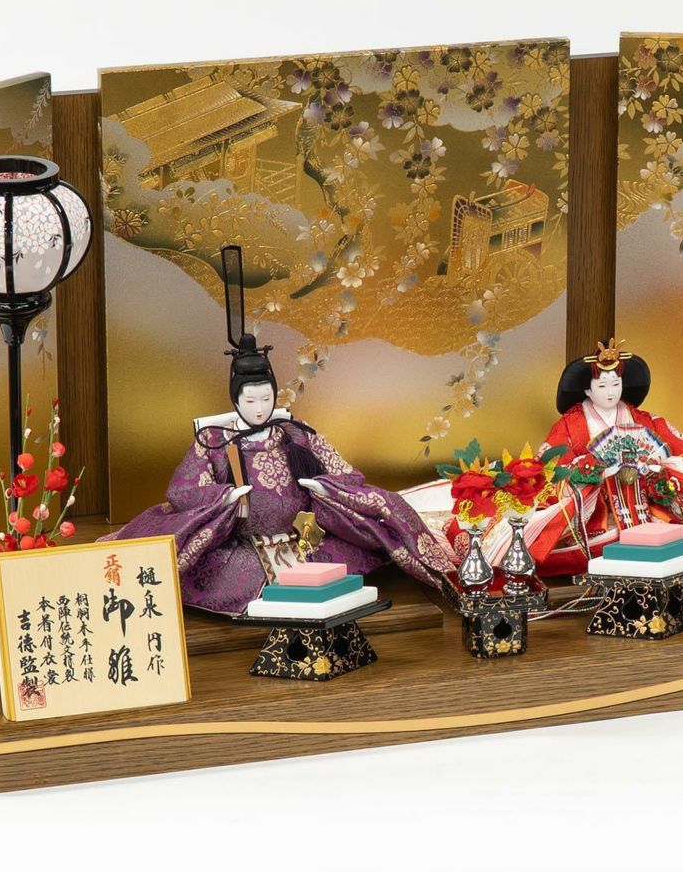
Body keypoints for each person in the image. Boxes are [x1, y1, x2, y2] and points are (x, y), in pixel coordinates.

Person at [101, 247, 454, 615]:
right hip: (242, 545)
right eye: (250, 400)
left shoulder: (295, 434)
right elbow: (182, 491)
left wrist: (324, 487)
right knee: (229, 576)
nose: (259, 408)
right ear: (235, 397)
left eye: (266, 398)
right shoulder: (215, 441)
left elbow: (347, 474)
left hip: (301, 538)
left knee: (341, 561)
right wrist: (224, 497)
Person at [522, 338, 683, 575]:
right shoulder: (570, 425)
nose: (610, 392)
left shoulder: (646, 420)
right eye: (601, 385)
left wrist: (661, 466)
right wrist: (591, 471)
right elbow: (551, 468)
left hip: (648, 500)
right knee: (578, 540)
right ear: (587, 391)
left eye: (616, 384)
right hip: (598, 509)